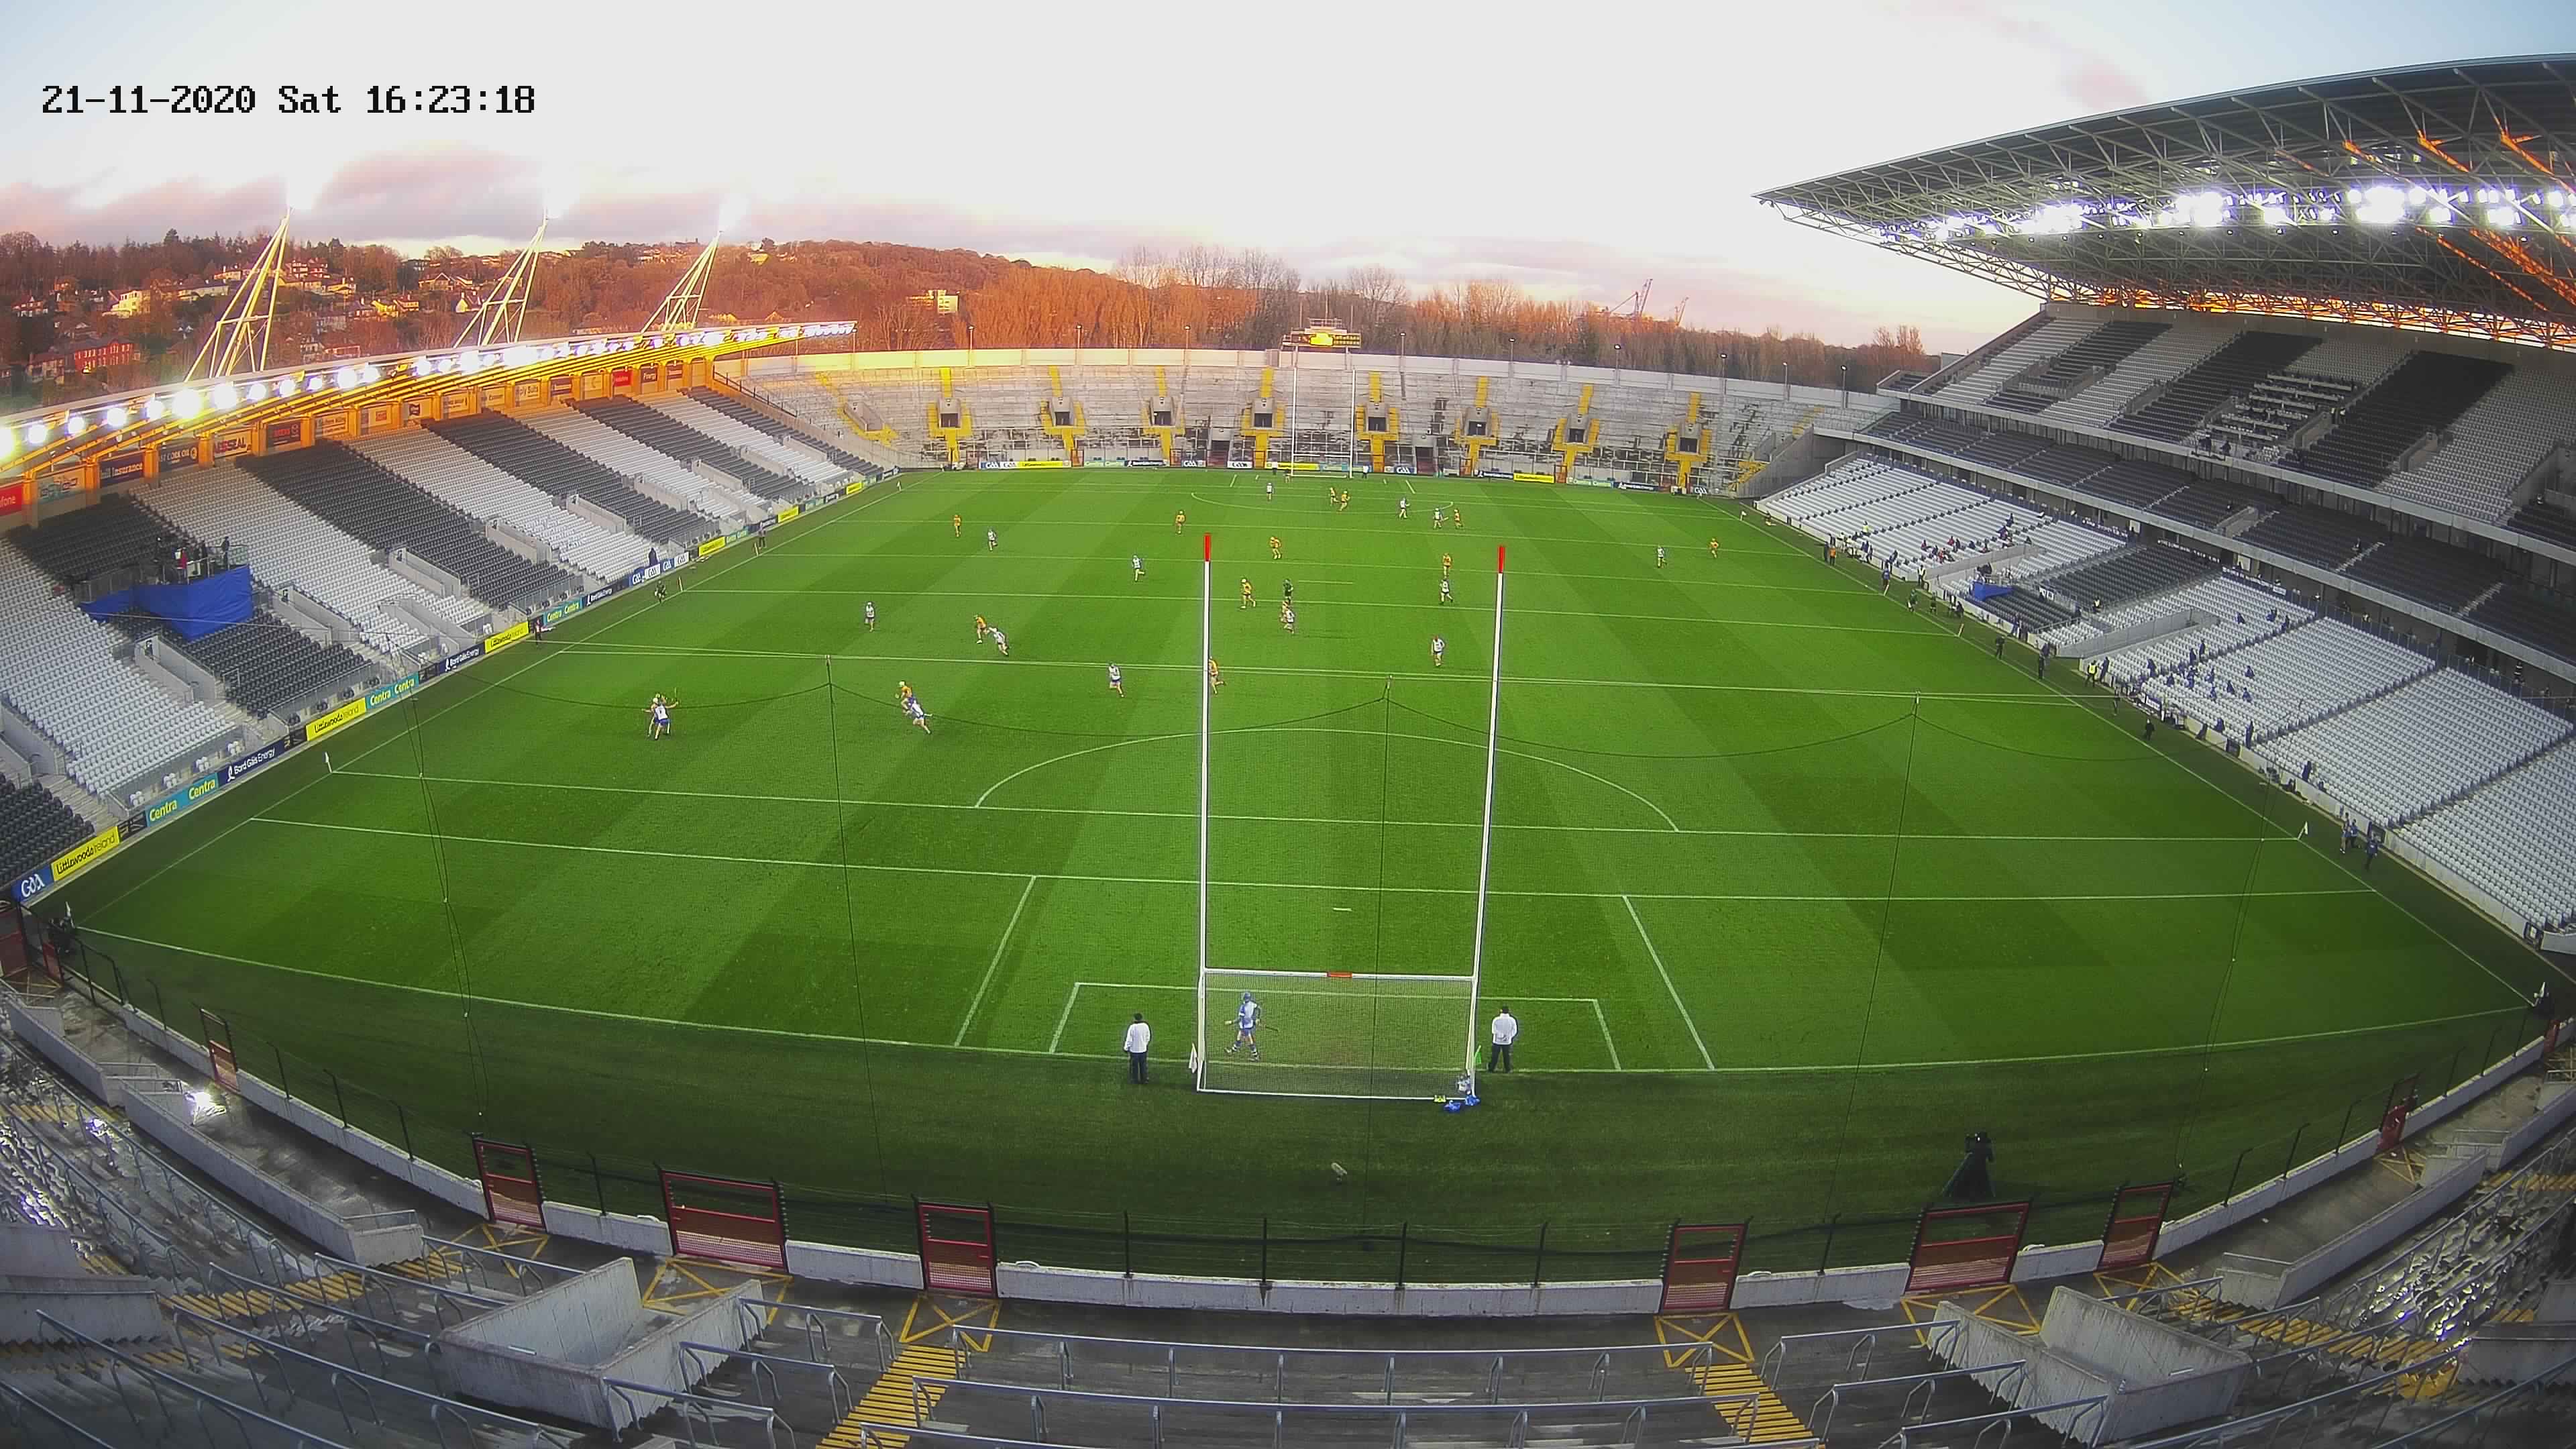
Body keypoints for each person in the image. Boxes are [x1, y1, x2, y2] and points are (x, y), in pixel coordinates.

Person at [1944, 1130, 1995, 1201]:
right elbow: (1991, 1160)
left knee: (1964, 1182)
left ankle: (1957, 1195)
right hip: (1981, 1170)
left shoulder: (1975, 1147)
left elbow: (1967, 1150)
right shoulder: (1987, 1149)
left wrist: (1967, 1142)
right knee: (1980, 1184)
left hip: (1970, 1168)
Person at [1225, 991, 1262, 1060]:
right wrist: (1258, 1018)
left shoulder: (1243, 1007)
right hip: (1249, 1025)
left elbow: (1240, 1019)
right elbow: (1259, 1008)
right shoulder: (1252, 1004)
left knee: (1250, 1042)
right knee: (1239, 1039)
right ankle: (1231, 1052)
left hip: (1244, 1027)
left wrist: (1231, 1022)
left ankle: (1256, 1057)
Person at [1487, 1006, 1517, 1074]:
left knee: (1495, 1056)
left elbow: (1494, 1030)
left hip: (1497, 1041)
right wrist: (1508, 1036)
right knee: (1507, 1056)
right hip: (1507, 1042)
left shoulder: (1496, 1020)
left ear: (1501, 1011)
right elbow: (1514, 1031)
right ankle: (1508, 1069)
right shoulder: (1512, 1020)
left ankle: (1491, 1069)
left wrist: (1500, 1035)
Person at [1124, 1013, 1151, 1085]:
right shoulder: (1145, 1026)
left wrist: (1126, 1048)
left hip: (1134, 1051)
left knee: (1134, 1066)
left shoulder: (1132, 1027)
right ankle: (1144, 1079)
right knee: (1143, 1065)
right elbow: (1148, 1037)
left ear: (1135, 1018)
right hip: (1143, 1050)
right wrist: (1145, 1044)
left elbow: (1129, 1039)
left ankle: (1135, 1080)